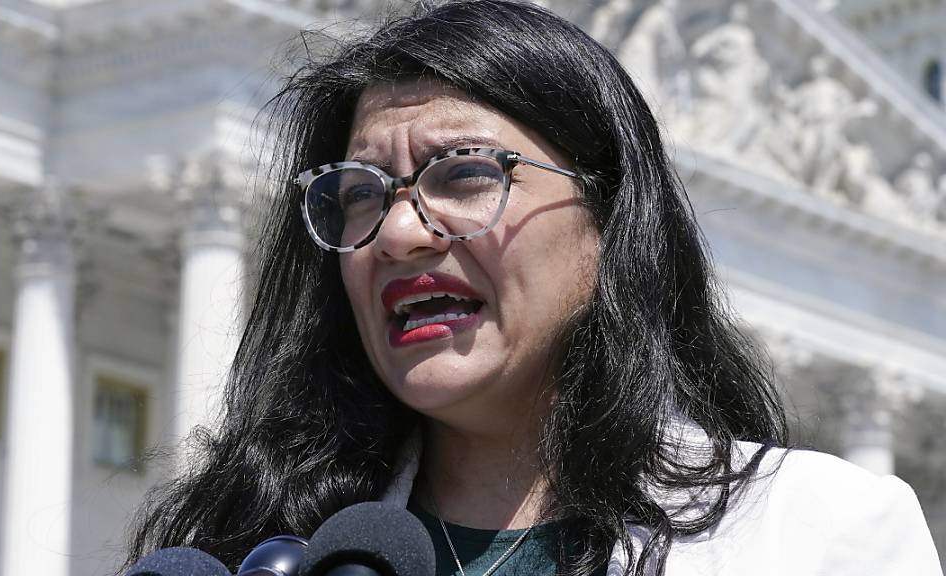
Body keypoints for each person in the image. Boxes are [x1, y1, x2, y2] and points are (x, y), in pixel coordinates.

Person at [124, 1, 943, 575]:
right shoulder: (249, 551)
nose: (399, 232)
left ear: (610, 219)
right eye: (361, 192)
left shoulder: (819, 535)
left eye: (465, 174)